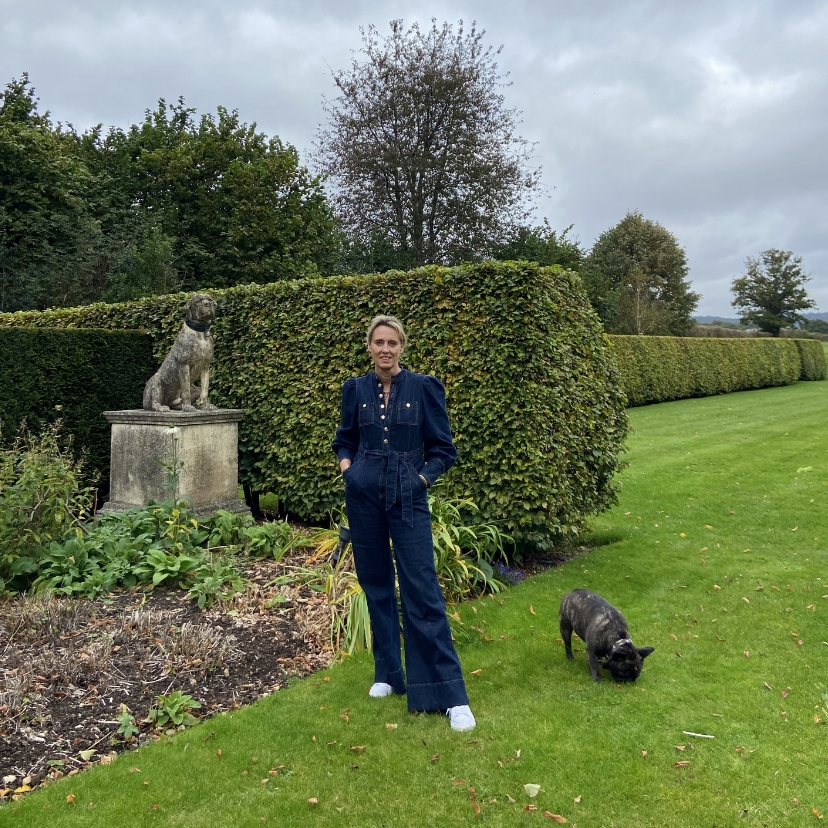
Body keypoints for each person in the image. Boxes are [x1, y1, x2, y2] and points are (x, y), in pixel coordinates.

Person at [332, 315, 476, 732]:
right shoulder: (355, 389)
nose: (385, 349)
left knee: (422, 587)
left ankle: (450, 694)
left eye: (392, 342)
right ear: (369, 346)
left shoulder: (424, 387)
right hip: (363, 497)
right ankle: (387, 674)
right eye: (378, 342)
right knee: (375, 585)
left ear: (402, 346)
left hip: (408, 498)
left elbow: (442, 449)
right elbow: (345, 438)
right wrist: (348, 468)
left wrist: (421, 479)